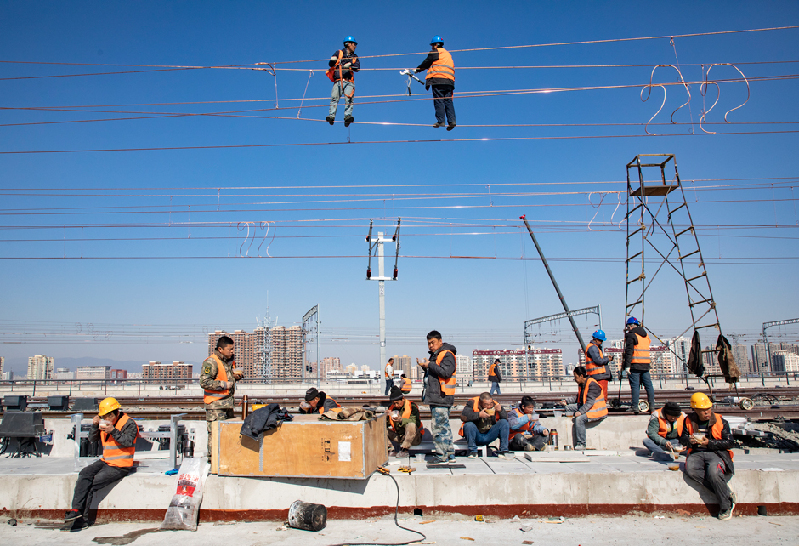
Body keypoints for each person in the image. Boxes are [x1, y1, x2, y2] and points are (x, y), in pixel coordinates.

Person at [63, 397, 138, 530]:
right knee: (84, 474)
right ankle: (75, 510)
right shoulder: (104, 422)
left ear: (116, 412)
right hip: (106, 460)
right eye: (104, 416)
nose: (107, 419)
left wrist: (113, 431)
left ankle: (83, 520)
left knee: (92, 483)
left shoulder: (129, 423)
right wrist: (94, 426)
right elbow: (92, 439)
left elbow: (128, 441)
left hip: (121, 464)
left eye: (108, 416)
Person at [678, 392, 736, 520]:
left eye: (708, 409)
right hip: (696, 452)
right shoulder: (688, 420)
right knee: (691, 471)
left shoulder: (721, 421)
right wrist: (689, 441)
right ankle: (725, 491)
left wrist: (710, 443)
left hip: (716, 453)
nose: (707, 412)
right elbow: (682, 438)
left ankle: (726, 506)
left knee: (714, 473)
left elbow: (730, 442)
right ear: (696, 410)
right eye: (703, 410)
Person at [416, 330, 457, 464]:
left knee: (439, 427)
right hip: (438, 397)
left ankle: (442, 456)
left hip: (441, 397)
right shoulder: (437, 355)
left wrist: (430, 365)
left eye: (433, 343)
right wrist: (425, 367)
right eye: (428, 343)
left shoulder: (447, 355)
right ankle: (449, 455)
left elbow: (445, 372)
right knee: (444, 426)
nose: (430, 346)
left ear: (440, 341)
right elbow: (435, 373)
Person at [201, 335, 243, 463]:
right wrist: (223, 385)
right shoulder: (211, 362)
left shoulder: (227, 361)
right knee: (215, 434)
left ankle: (225, 460)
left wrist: (236, 376)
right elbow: (204, 382)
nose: (232, 351)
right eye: (229, 349)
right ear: (220, 349)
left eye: (232, 349)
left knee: (227, 434)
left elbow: (228, 376)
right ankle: (213, 461)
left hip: (227, 404)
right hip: (215, 406)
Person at [559, 366, 608, 450]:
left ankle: (581, 444)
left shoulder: (592, 384)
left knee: (579, 419)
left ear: (581, 376)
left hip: (596, 411)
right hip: (588, 408)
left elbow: (589, 403)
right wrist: (566, 402)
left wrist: (580, 412)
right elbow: (578, 397)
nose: (575, 379)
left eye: (576, 377)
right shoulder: (582, 384)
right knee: (568, 408)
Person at [414, 36, 456, 130]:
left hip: (438, 79)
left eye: (433, 45)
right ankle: (452, 121)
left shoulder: (436, 52)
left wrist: (417, 69)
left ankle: (441, 121)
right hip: (449, 81)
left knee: (439, 100)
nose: (432, 47)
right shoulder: (447, 54)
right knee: (448, 101)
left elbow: (427, 62)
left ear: (436, 44)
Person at [459, 392, 509, 458]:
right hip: (477, 434)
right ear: (480, 402)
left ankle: (503, 451)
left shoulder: (495, 404)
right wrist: (478, 415)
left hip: (489, 434)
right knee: (469, 425)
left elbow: (505, 417)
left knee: (503, 422)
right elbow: (463, 416)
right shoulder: (472, 403)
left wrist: (501, 411)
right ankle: (473, 451)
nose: (489, 406)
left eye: (490, 404)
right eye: (486, 404)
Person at [622, 317, 654, 413]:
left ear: (631, 326)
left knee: (635, 386)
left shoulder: (631, 335)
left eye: (628, 327)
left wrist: (627, 366)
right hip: (645, 364)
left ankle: (635, 406)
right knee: (649, 386)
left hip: (635, 364)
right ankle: (652, 406)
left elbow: (629, 352)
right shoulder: (645, 335)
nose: (627, 329)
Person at [326, 36, 360, 127]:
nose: (355, 46)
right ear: (348, 44)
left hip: (349, 82)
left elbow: (357, 67)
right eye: (354, 44)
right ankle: (331, 116)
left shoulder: (354, 57)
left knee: (349, 99)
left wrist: (350, 65)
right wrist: (333, 60)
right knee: (334, 98)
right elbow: (331, 63)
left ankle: (347, 117)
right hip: (338, 81)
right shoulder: (339, 53)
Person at [386, 386, 423, 458]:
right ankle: (391, 450)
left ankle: (404, 450)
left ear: (403, 399)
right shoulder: (391, 408)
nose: (396, 405)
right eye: (394, 403)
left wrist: (401, 420)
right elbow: (387, 424)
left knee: (411, 425)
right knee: (381, 430)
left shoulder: (411, 406)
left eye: (397, 403)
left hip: (414, 438)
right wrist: (386, 417)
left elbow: (416, 422)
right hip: (400, 437)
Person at [585, 330, 613, 402]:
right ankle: (602, 411)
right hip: (599, 375)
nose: (602, 342)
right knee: (602, 396)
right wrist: (608, 359)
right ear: (596, 339)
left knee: (597, 395)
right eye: (601, 340)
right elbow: (598, 361)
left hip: (596, 375)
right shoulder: (593, 348)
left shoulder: (594, 347)